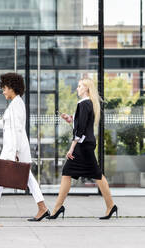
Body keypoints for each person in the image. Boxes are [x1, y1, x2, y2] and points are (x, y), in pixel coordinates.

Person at [0, 73, 50, 222]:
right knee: (22, 178)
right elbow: (5, 126)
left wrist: (14, 152)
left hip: (14, 149)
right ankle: (42, 208)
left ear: (11, 88)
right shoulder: (15, 104)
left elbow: (16, 130)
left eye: (4, 88)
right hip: (13, 149)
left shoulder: (16, 105)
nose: (3, 92)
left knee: (1, 178)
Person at [48, 78, 118, 220]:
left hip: (83, 146)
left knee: (74, 172)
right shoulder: (87, 104)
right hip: (86, 145)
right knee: (94, 174)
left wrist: (71, 147)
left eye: (79, 86)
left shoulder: (84, 103)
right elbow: (81, 124)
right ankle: (111, 206)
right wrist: (70, 119)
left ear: (86, 88)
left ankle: (57, 208)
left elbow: (80, 129)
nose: (77, 89)